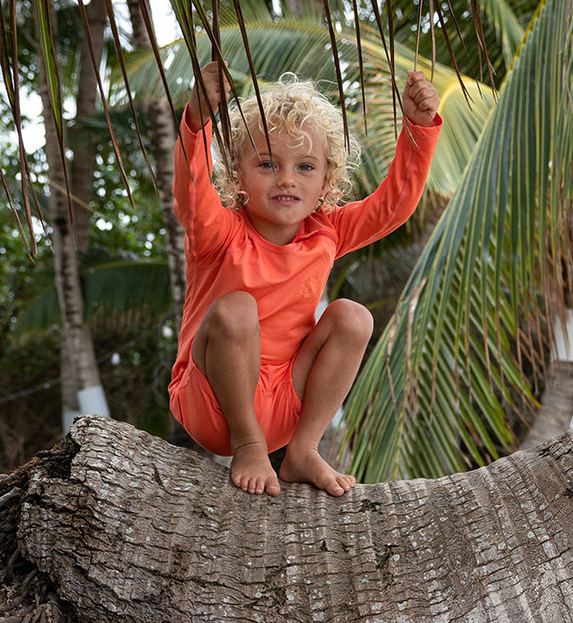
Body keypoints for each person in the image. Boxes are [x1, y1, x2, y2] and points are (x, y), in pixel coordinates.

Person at [170, 62, 441, 497]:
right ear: (238, 175)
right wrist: (198, 119)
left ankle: (302, 450)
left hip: (285, 405)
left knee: (353, 317)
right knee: (238, 309)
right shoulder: (219, 234)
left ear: (326, 180)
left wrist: (418, 128)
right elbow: (191, 195)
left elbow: (394, 204)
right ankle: (248, 444)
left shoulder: (326, 232)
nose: (286, 179)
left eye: (305, 167)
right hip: (211, 403)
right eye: (267, 163)